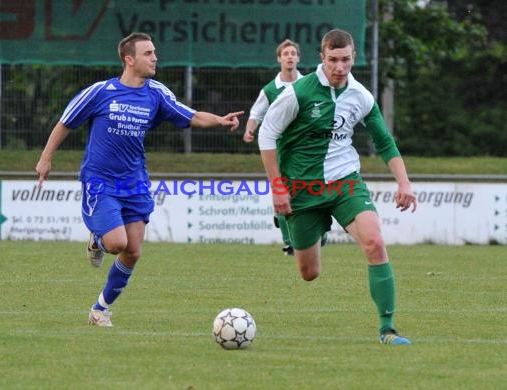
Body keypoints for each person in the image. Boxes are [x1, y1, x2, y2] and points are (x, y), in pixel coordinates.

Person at [35, 32, 243, 327]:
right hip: (101, 181)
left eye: (154, 52)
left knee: (133, 251)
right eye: (148, 53)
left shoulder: (156, 93)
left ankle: (100, 309)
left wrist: (219, 120)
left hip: (134, 182)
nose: (155, 57)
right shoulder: (101, 92)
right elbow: (66, 121)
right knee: (117, 242)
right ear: (129, 59)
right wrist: (46, 157)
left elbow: (191, 115)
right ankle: (97, 239)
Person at [257, 29, 417, 345]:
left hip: (345, 183)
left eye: (345, 60)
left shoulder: (361, 95)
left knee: (374, 242)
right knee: (309, 273)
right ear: (322, 58)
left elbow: (384, 141)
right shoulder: (297, 93)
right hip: (302, 189)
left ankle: (387, 328)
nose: (339, 67)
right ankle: (306, 229)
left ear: (353, 58)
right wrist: (277, 187)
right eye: (333, 60)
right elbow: (267, 135)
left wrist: (404, 182)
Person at [243, 39, 327, 256]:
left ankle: (321, 231)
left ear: (298, 58)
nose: (289, 56)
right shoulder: (271, 90)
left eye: (293, 53)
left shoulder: (309, 83)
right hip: (282, 150)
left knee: (316, 189)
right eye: (285, 53)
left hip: (308, 148)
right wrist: (249, 129)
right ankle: (290, 242)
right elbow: (256, 114)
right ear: (279, 58)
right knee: (282, 190)